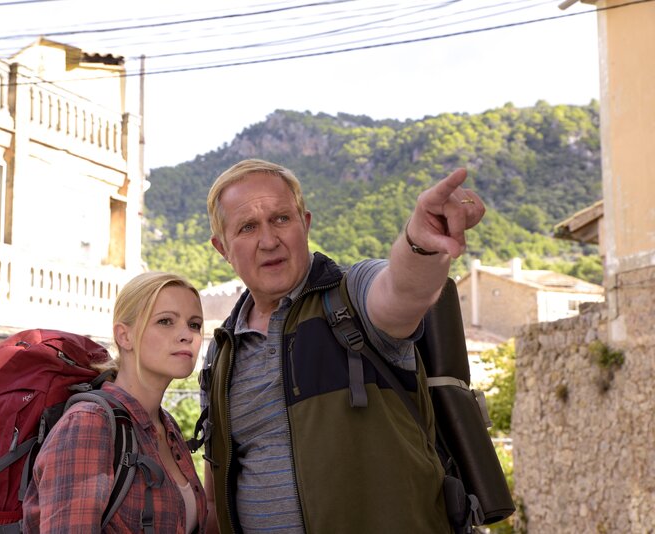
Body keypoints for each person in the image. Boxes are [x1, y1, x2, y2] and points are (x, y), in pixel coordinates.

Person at [200, 159, 486, 533]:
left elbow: (401, 291)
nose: (269, 241)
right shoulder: (221, 354)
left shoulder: (351, 298)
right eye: (248, 227)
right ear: (222, 248)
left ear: (305, 224)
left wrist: (420, 243)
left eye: (281, 219)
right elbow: (214, 496)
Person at [23, 271, 208, 533]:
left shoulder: (167, 426)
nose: (186, 335)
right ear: (124, 336)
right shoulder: (89, 425)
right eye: (166, 321)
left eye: (194, 324)